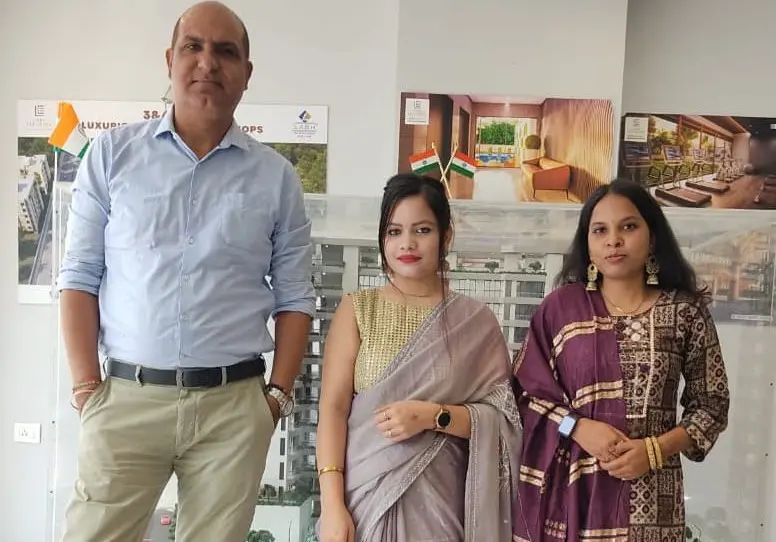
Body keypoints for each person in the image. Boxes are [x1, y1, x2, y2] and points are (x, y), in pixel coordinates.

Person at [56, 2, 315, 541]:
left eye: (226, 52)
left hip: (232, 410)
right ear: (169, 59)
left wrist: (275, 400)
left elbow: (295, 297)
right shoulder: (112, 156)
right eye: (193, 47)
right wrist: (85, 388)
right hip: (125, 399)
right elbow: (79, 276)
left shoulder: (276, 178)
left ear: (246, 72)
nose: (208, 62)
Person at [511, 179, 730, 541]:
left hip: (652, 501)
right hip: (570, 496)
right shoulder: (560, 309)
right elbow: (523, 395)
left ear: (652, 237)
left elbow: (712, 405)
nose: (613, 240)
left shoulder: (684, 311)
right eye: (600, 230)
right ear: (587, 244)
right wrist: (577, 427)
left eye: (628, 226)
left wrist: (654, 450)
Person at [314, 173, 522, 542]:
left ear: (446, 235)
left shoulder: (476, 322)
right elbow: (333, 409)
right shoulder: (358, 309)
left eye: (422, 230)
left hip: (443, 504)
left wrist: (433, 416)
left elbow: (504, 422)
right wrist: (332, 505)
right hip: (363, 502)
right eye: (394, 232)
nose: (407, 243)